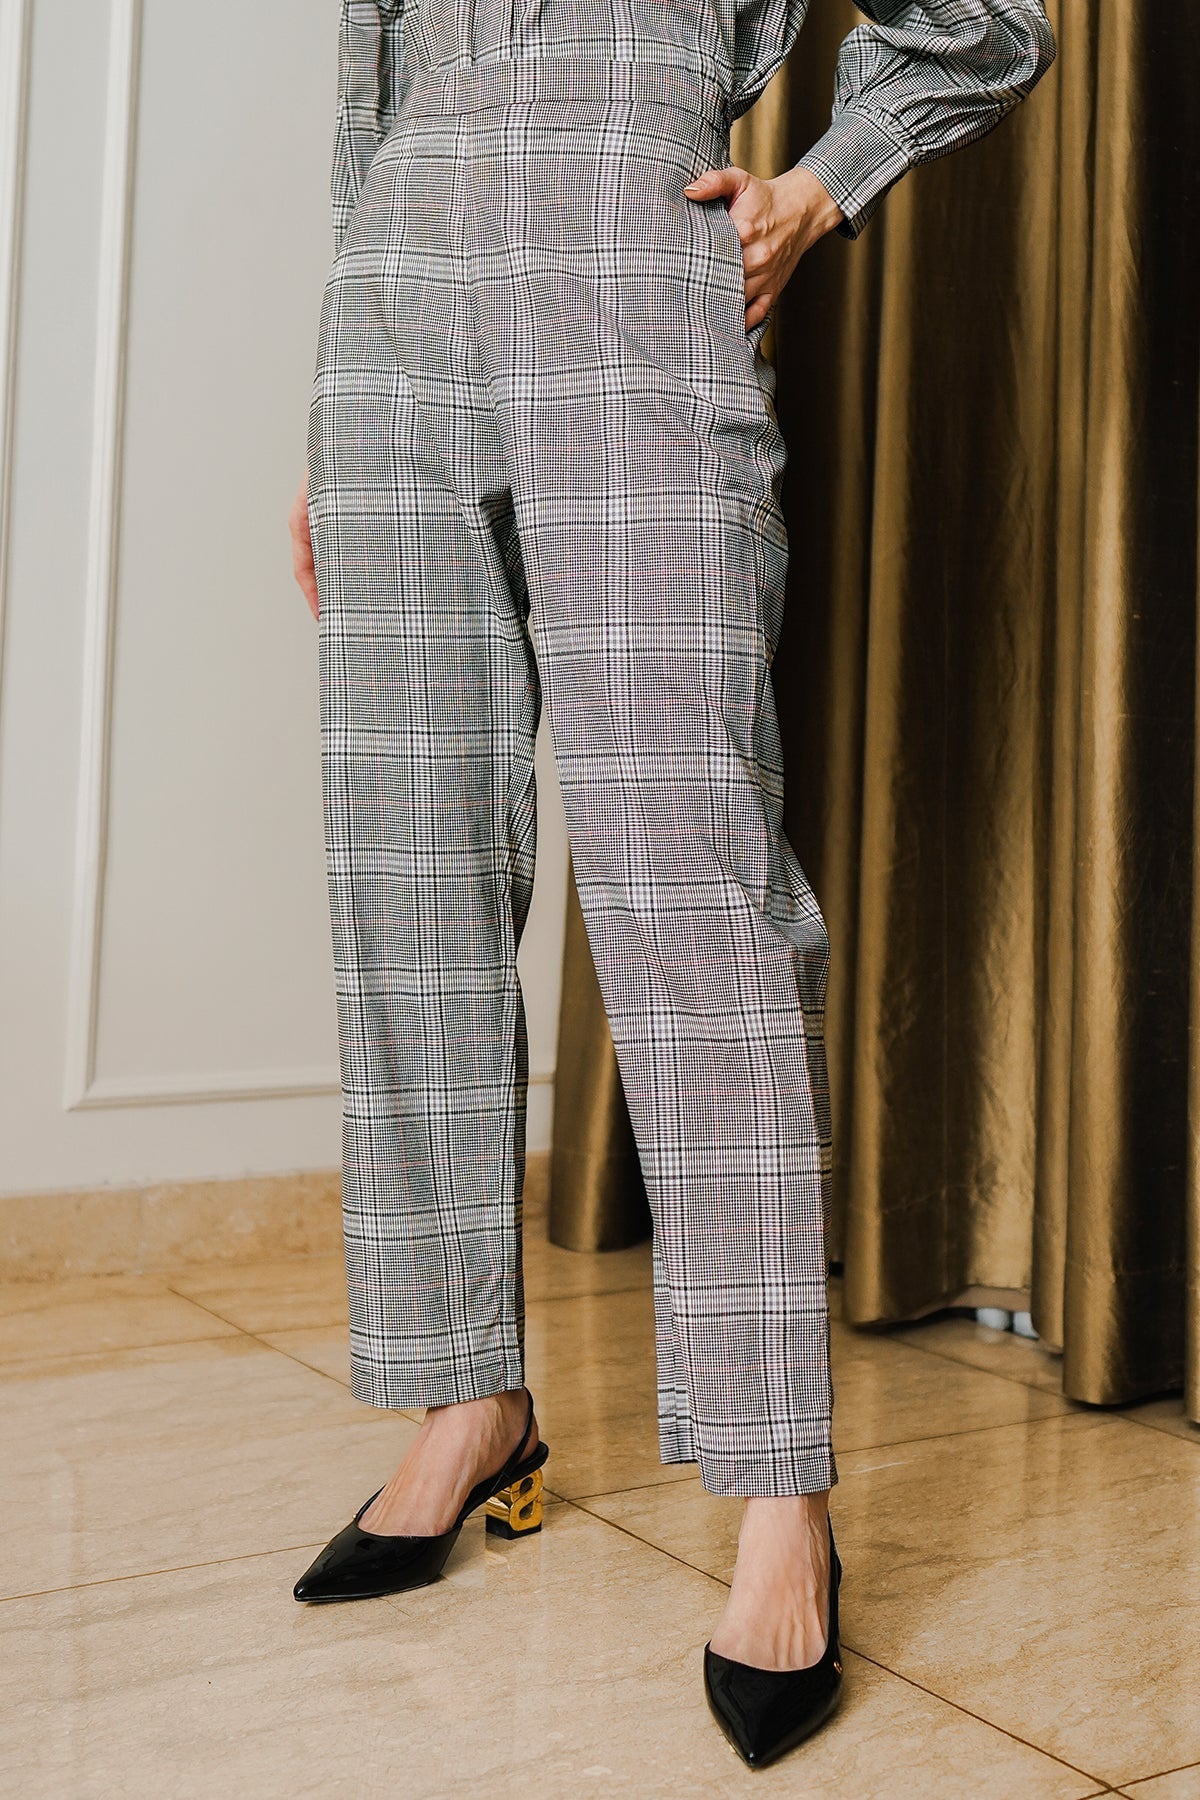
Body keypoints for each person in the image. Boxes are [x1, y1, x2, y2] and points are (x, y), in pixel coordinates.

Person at [287, 0, 1054, 1769]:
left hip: (635, 280)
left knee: (688, 883)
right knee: (406, 874)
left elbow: (986, 21)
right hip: (393, 315)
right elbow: (367, 104)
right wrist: (335, 399)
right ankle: (466, 1400)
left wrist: (825, 183)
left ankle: (784, 1499)